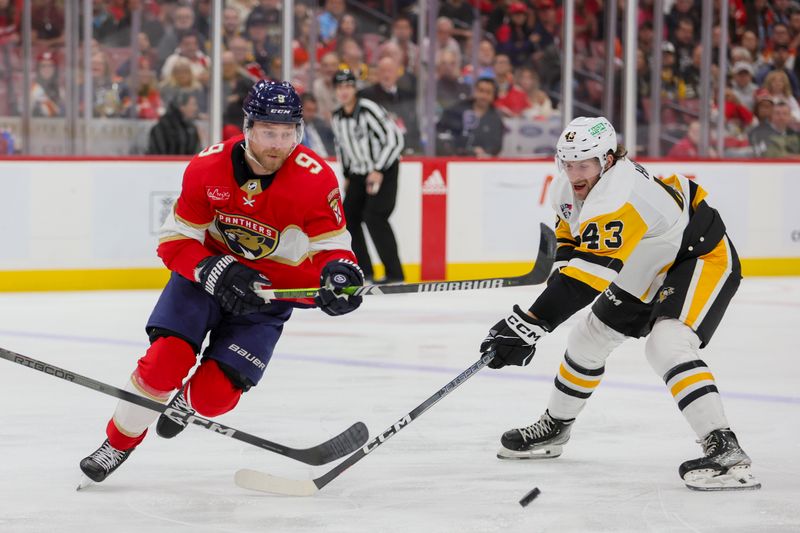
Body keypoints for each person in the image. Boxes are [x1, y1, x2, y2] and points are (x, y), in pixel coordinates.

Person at [79, 80, 364, 486]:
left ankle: (186, 404)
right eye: (269, 132)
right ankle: (118, 443)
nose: (278, 144)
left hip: (268, 296)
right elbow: (175, 240)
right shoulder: (207, 168)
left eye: (288, 133)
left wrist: (339, 274)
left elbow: (333, 245)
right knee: (163, 363)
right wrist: (213, 269)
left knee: (215, 397)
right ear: (247, 128)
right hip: (204, 282)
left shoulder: (315, 180)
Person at [480, 116, 761, 491]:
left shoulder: (620, 194)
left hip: (696, 256)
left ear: (607, 160)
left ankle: (724, 449)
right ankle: (556, 429)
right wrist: (557, 281)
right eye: (567, 162)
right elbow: (570, 234)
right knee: (585, 340)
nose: (574, 173)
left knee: (667, 344)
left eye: (584, 164)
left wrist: (528, 324)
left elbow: (586, 282)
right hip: (644, 265)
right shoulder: (569, 186)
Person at [331, 68, 405, 283]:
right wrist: (346, 174)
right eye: (340, 87)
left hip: (385, 169)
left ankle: (395, 273)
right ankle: (365, 271)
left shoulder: (368, 109)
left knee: (375, 216)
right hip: (357, 173)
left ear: (355, 88)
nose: (344, 91)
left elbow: (395, 140)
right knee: (348, 218)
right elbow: (342, 148)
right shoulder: (337, 117)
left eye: (348, 86)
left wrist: (379, 170)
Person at [436, 77, 505, 157]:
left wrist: (484, 152)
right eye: (481, 91)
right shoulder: (456, 110)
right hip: (457, 160)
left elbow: (496, 145)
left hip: (484, 162)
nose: (483, 96)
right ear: (475, 91)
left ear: (494, 95)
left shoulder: (496, 118)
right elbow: (442, 133)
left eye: (488, 92)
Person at [146, 91, 201, 155]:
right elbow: (157, 156)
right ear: (182, 107)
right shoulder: (161, 128)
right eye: (193, 104)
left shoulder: (191, 128)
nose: (195, 108)